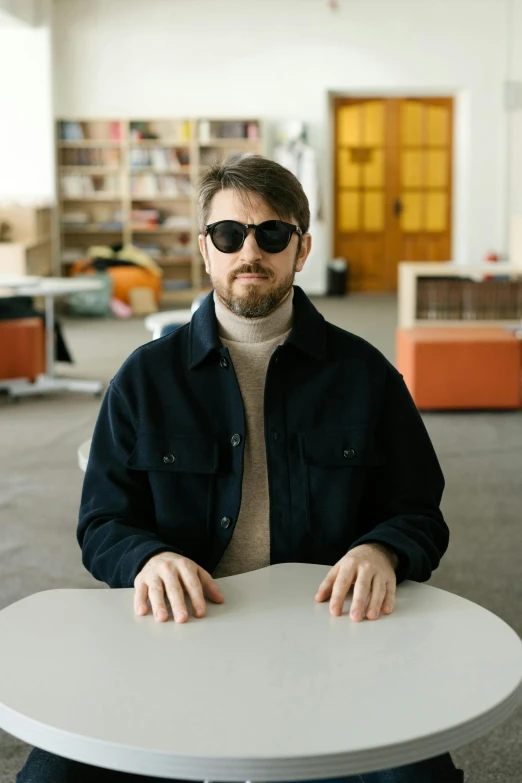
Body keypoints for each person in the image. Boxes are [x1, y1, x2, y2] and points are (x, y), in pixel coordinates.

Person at [17, 156, 464, 783]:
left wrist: (383, 552)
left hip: (332, 639)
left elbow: (419, 510)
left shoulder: (368, 376)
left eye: (271, 234)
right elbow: (103, 522)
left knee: (419, 779)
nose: (248, 251)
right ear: (206, 250)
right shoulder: (144, 379)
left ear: (302, 249)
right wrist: (147, 558)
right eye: (229, 234)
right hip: (181, 632)